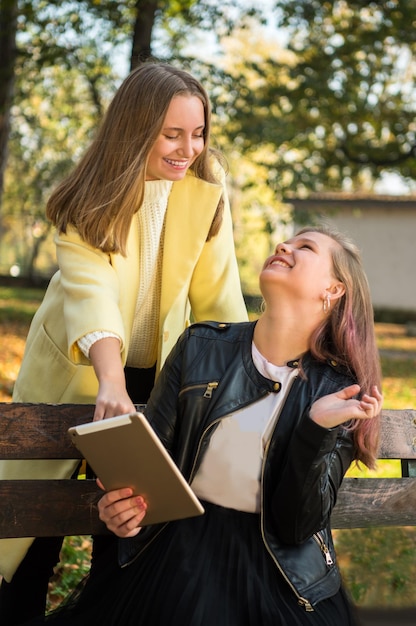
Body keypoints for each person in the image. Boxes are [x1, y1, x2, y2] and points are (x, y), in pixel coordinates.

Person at [25, 224, 382, 626]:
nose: (284, 245)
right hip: (176, 550)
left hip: (278, 574)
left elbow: (297, 526)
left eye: (306, 247)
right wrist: (122, 509)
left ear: (333, 290)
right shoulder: (201, 346)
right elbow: (150, 462)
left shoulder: (341, 393)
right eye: (287, 240)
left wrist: (315, 428)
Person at [0, 61, 248, 625]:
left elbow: (219, 304)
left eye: (199, 132)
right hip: (81, 368)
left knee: (131, 522)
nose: (189, 148)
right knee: (34, 529)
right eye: (173, 134)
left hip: (156, 379)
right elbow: (90, 296)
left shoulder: (208, 197)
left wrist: (242, 381)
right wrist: (109, 377)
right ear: (137, 131)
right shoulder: (88, 199)